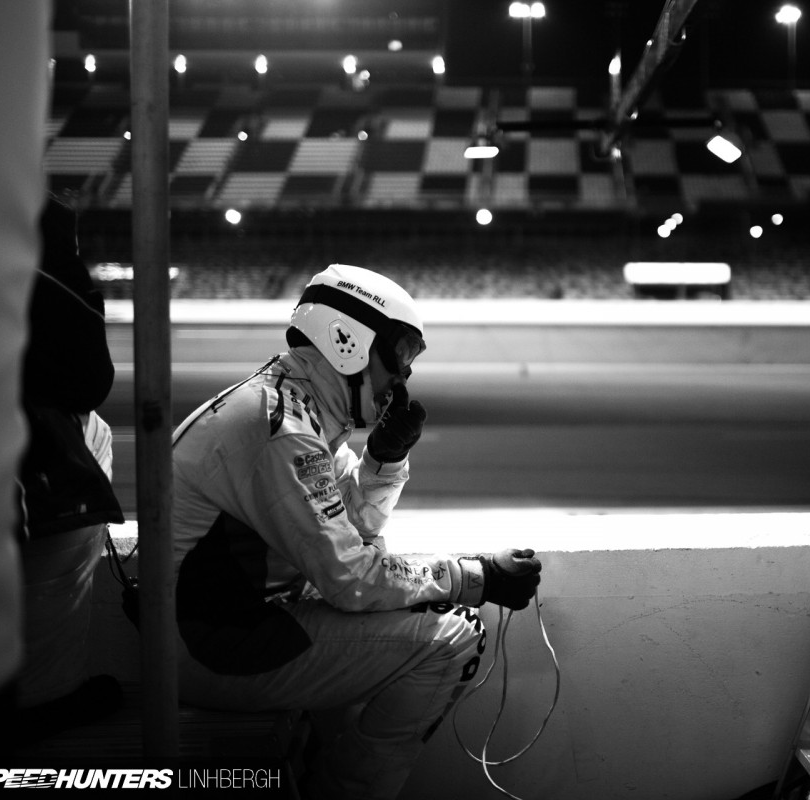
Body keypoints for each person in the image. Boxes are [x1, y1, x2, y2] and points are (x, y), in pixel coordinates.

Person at [171, 264, 543, 800]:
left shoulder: (296, 409)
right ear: (347, 341)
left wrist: (384, 461)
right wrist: (475, 576)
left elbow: (355, 533)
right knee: (455, 635)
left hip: (226, 628)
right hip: (212, 648)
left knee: (407, 608)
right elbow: (351, 577)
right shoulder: (283, 428)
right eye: (399, 355)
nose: (403, 378)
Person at [14, 196, 125, 740]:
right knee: (91, 435)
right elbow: (89, 378)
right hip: (12, 467)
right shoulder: (26, 229)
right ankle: (43, 694)